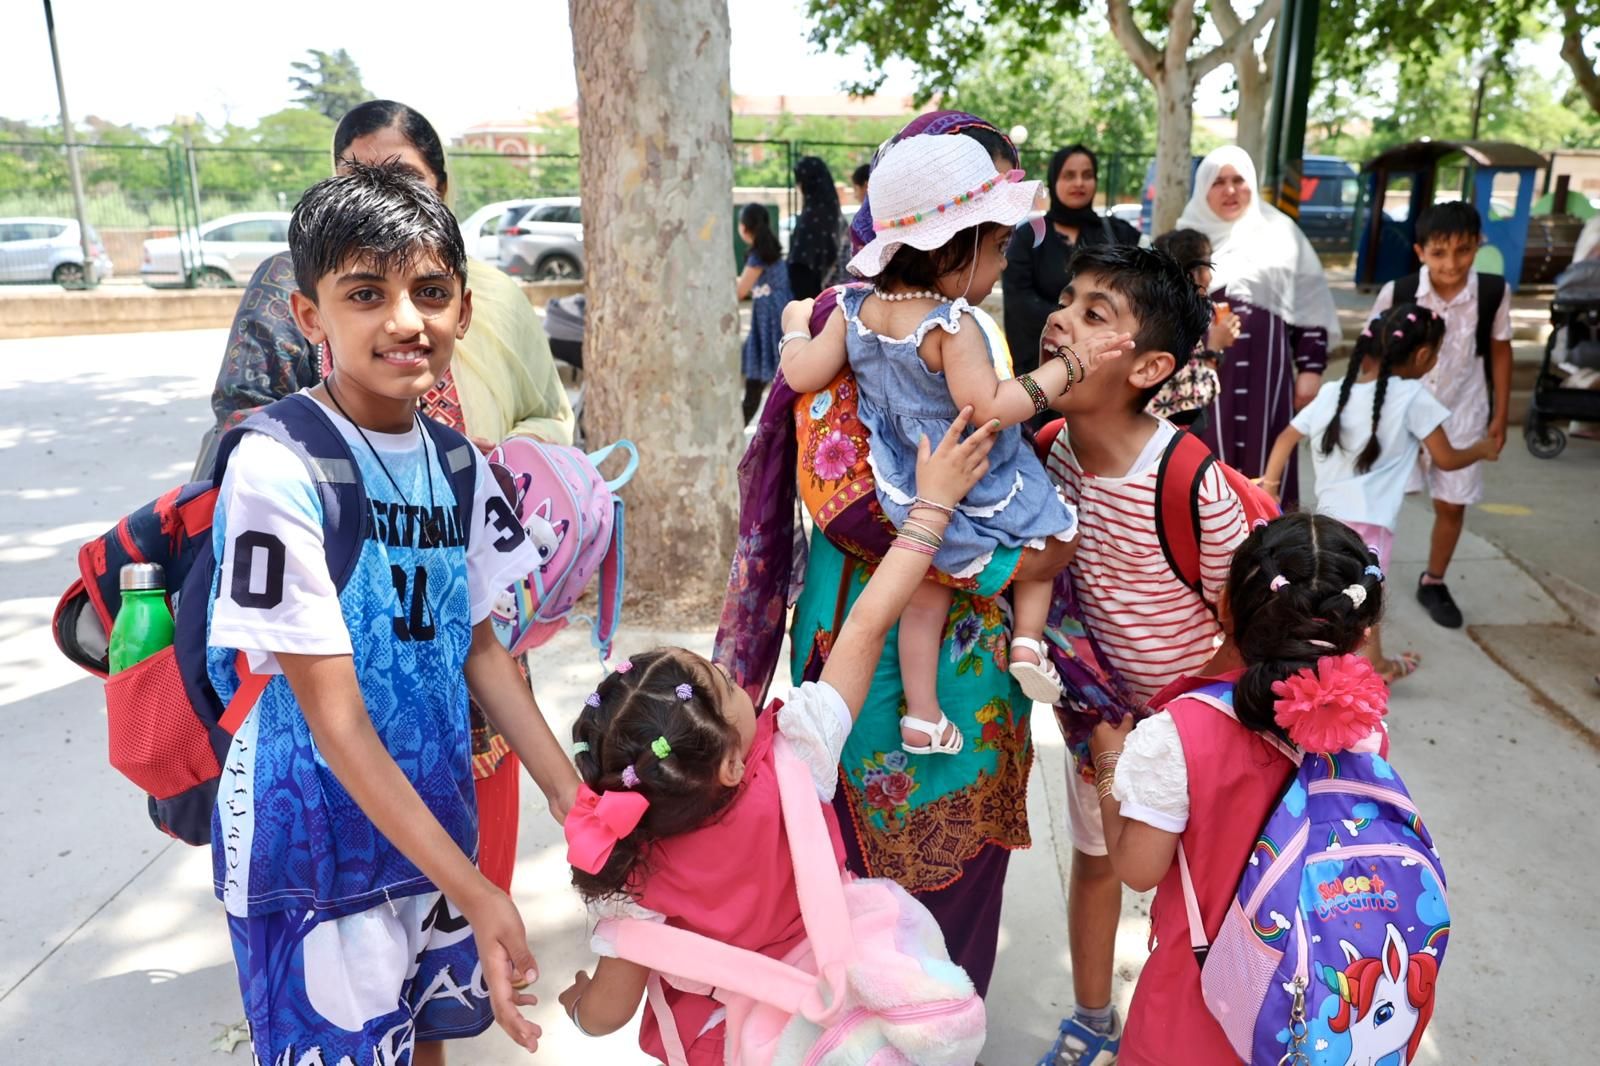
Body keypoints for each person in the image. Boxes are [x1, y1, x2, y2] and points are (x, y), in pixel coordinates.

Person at [207, 161, 579, 1065]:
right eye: (366, 293)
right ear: (311, 317)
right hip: (316, 851)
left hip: (432, 821)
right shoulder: (276, 465)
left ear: (463, 310)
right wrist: (483, 889)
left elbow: (483, 652)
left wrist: (576, 803)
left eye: (430, 291)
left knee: (427, 1038)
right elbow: (335, 721)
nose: (405, 320)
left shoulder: (458, 465)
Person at [716, 110, 1054, 1001]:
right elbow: (844, 496)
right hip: (886, 624)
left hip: (948, 644)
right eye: (992, 236)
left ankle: (943, 1024)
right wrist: (983, 546)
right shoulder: (860, 318)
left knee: (964, 864)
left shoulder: (889, 317)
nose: (1004, 256)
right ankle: (886, 1030)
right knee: (870, 869)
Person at [557, 410, 1000, 1062]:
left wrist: (577, 1003)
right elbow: (867, 627)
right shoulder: (799, 757)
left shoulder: (634, 872)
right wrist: (931, 507)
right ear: (732, 764)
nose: (741, 683)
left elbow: (610, 1011)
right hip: (846, 1004)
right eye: (727, 684)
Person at [779, 133, 1121, 754]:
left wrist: (793, 329)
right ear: (951, 251)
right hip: (971, 473)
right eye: (996, 248)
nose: (1000, 265)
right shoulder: (952, 325)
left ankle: (924, 715)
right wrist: (1069, 368)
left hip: (904, 488)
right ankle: (1028, 640)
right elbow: (988, 405)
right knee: (1055, 529)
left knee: (925, 594)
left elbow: (800, 373)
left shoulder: (853, 308)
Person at [1036, 243, 1252, 1066]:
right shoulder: (1049, 448)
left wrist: (1182, 731)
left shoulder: (1190, 478)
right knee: (1096, 865)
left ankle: (1202, 1029)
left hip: (1196, 731)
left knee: (1194, 889)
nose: (1064, 318)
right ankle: (1093, 1019)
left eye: (1098, 314)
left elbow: (1243, 625)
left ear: (1150, 366)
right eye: (1068, 299)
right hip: (1102, 723)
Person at [1085, 512, 1388, 1064]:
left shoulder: (1181, 733)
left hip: (1194, 1007)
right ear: (1363, 631)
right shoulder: (1362, 726)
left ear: (1226, 607)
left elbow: (1137, 867)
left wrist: (1108, 760)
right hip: (1316, 1005)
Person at [1261, 304, 1501, 682]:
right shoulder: (1412, 396)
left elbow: (1287, 436)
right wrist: (1482, 450)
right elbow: (1446, 458)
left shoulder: (1333, 391)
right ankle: (1372, 669)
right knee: (1363, 603)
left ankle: (1318, 665)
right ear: (1423, 355)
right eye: (1435, 353)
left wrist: (1270, 486)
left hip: (1325, 521)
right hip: (1370, 526)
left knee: (1327, 594)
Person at [1367, 201, 1513, 629]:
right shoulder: (1399, 291)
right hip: (1400, 416)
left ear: (1478, 246)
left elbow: (1501, 352)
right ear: (1420, 252)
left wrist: (1501, 415)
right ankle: (1365, 582)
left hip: (1463, 413)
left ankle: (1433, 581)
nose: (1452, 264)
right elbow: (1370, 354)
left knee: (1452, 504)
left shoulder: (1493, 293)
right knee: (1382, 504)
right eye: (1439, 253)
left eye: (1464, 251)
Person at [1176, 146, 1342, 508]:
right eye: (1218, 182)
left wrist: (1310, 369)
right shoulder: (1185, 239)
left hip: (1268, 379)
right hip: (1204, 374)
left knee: (1265, 468)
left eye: (1238, 180)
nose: (1230, 190)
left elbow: (1308, 303)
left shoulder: (1281, 234)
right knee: (1204, 460)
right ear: (1203, 188)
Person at [1003, 144, 1141, 375]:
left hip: (1104, 365)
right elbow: (1020, 302)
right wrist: (1080, 328)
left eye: (1087, 175)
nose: (1079, 183)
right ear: (1054, 179)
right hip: (1043, 366)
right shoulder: (1029, 236)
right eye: (1069, 175)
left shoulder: (1120, 234)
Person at [1145, 228, 1242, 429]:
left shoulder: (1151, 311)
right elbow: (1193, 397)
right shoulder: (1177, 323)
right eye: (1208, 265)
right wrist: (1214, 349)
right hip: (1157, 441)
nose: (1210, 278)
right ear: (1192, 273)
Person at [736, 203, 793, 424]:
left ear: (745, 228)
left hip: (767, 319)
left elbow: (741, 291)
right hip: (779, 315)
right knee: (774, 377)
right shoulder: (770, 250)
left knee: (756, 376)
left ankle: (742, 423)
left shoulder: (757, 256)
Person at [788, 156, 842, 299]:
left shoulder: (811, 216)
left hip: (809, 300)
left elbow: (801, 265)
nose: (798, 186)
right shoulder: (833, 212)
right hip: (831, 297)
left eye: (799, 180)